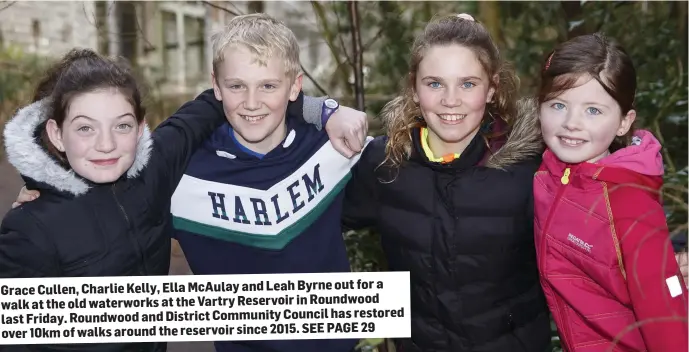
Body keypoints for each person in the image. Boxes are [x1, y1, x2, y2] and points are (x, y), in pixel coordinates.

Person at [0, 48, 365, 351]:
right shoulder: (30, 228)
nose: (106, 143)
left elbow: (229, 97)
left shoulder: (157, 167)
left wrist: (326, 111)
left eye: (122, 124)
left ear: (141, 128)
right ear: (56, 134)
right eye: (84, 127)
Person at [341, 14, 551, 351]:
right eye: (434, 83)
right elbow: (308, 219)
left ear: (492, 88)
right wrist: (319, 111)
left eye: (468, 83)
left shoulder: (531, 166)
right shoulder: (385, 164)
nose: (450, 100)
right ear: (414, 87)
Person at [168, 14, 365, 352]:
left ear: (295, 86)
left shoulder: (335, 148)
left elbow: (421, 183)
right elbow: (105, 212)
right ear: (216, 86)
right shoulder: (182, 174)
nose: (252, 102)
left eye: (268, 86)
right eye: (236, 86)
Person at [533, 33, 688, 351]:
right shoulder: (545, 173)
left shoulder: (628, 202)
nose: (571, 123)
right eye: (558, 105)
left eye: (593, 110)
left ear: (623, 122)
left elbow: (665, 319)